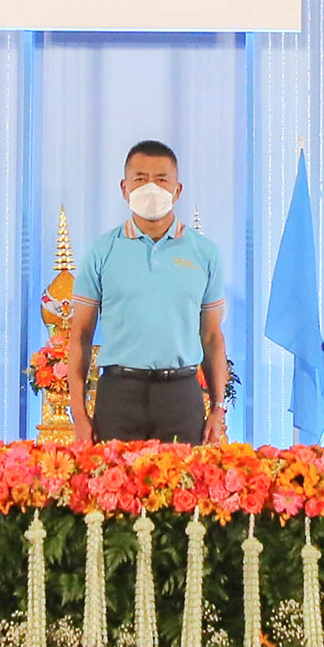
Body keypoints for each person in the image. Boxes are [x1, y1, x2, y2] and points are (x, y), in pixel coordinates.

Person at [62, 140, 228, 442]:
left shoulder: (205, 253)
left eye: (161, 180)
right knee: (112, 474)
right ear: (124, 188)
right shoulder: (101, 251)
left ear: (177, 190)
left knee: (182, 475)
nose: (151, 188)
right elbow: (80, 335)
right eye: (140, 179)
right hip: (118, 394)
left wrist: (218, 408)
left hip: (180, 394)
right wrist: (79, 413)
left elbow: (212, 337)